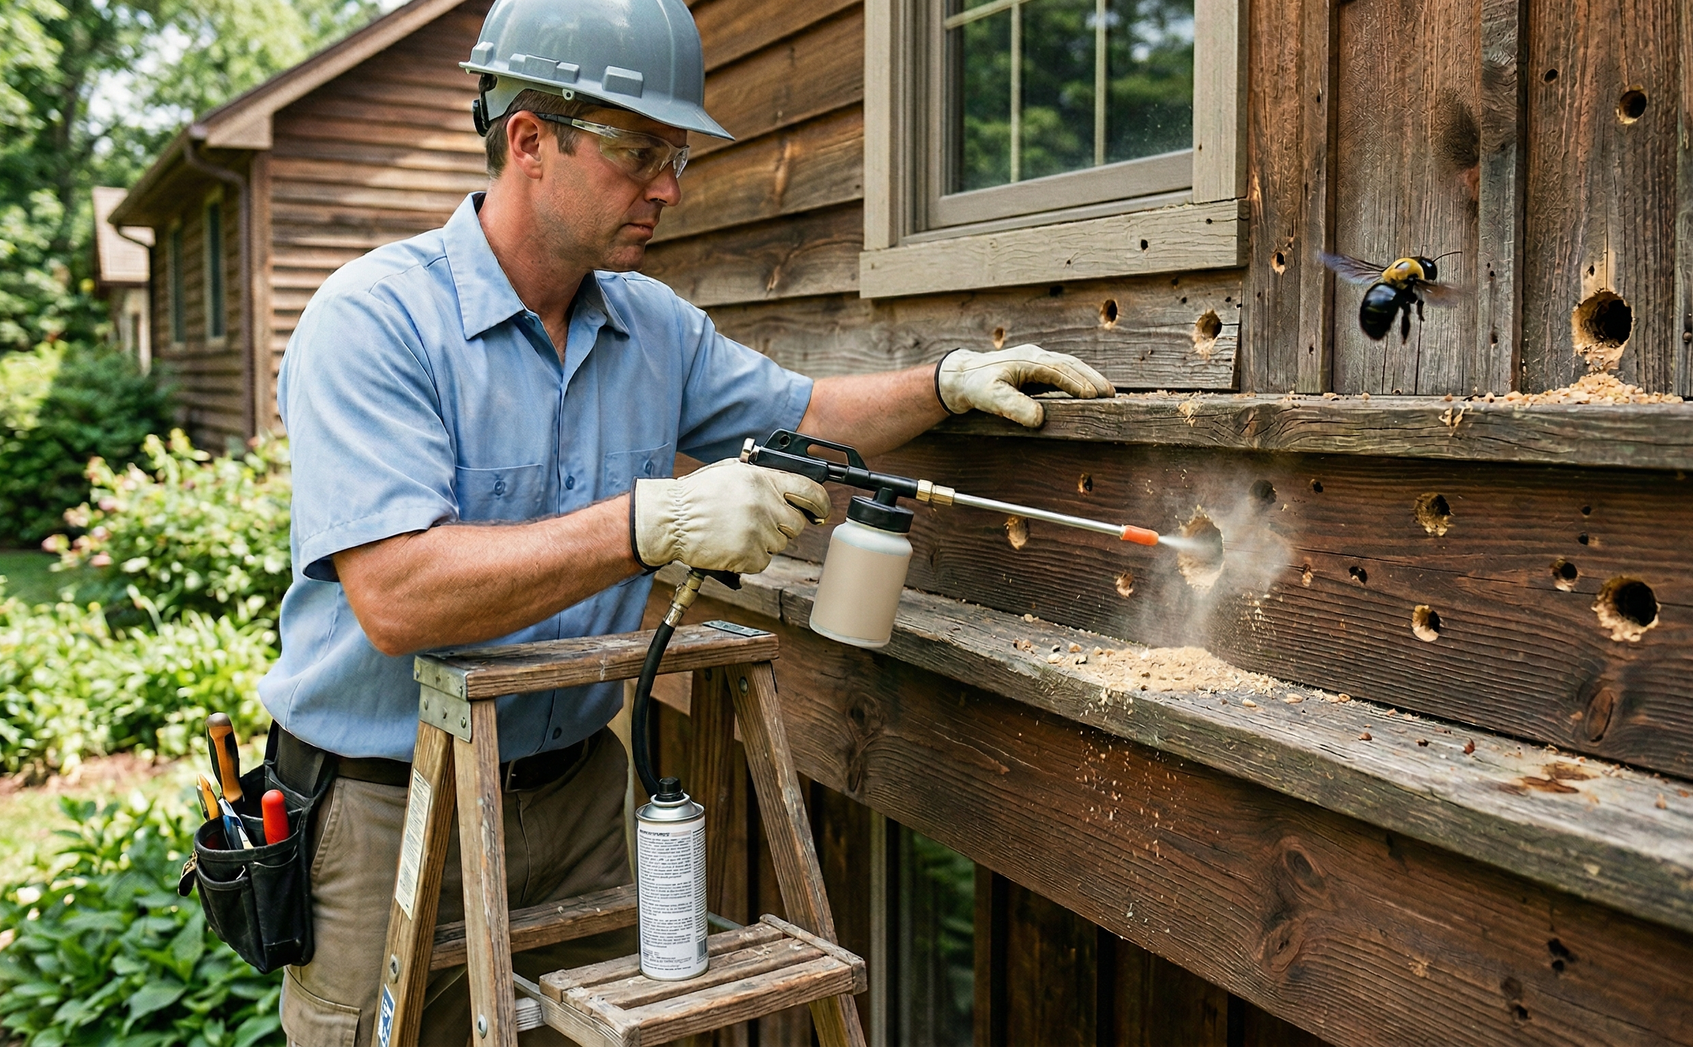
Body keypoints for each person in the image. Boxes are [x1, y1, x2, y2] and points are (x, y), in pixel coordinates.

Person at [262, 0, 1114, 1040]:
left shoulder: (651, 325)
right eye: (639, 153)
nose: (668, 188)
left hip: (578, 794)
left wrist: (945, 382)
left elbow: (807, 413)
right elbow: (396, 596)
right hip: (390, 807)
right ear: (529, 140)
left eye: (678, 156)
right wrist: (650, 523)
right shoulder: (375, 321)